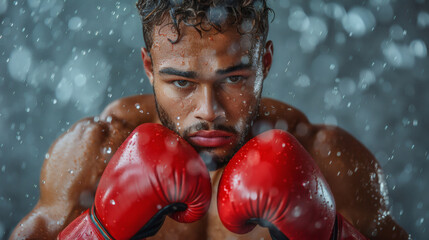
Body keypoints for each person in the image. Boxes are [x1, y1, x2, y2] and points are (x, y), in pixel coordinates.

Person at [9, 0, 409, 239]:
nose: (209, 110)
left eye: (234, 79)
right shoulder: (96, 152)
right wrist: (96, 231)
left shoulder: (327, 160)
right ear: (149, 66)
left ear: (264, 62)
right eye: (182, 82)